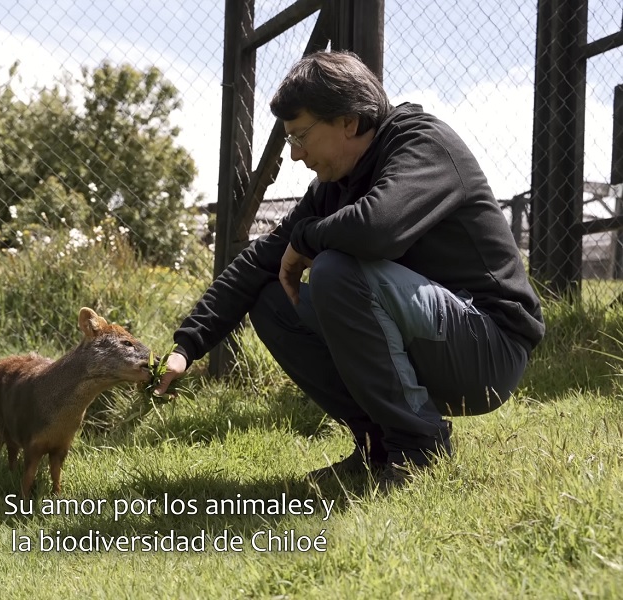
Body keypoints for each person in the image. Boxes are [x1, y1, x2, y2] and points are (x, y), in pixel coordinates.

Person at [152, 50, 545, 488]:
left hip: (487, 348)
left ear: (350, 122)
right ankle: (380, 445)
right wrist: (186, 346)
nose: (296, 154)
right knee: (270, 299)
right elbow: (259, 261)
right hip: (433, 335)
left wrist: (304, 239)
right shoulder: (333, 186)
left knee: (337, 271)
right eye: (288, 141)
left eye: (301, 136)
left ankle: (420, 448)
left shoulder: (423, 143)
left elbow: (378, 229)